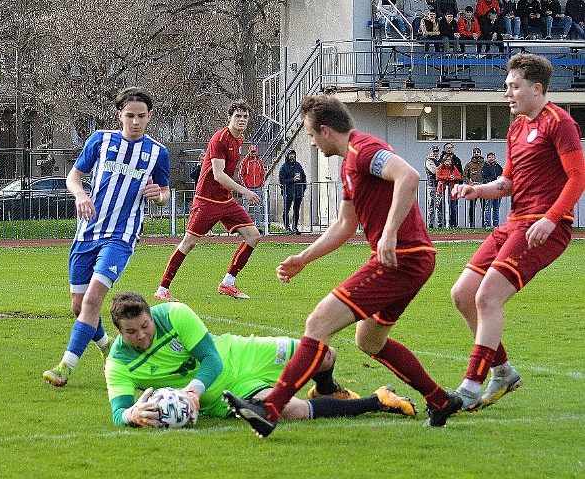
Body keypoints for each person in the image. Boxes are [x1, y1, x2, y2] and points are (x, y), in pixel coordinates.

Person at [225, 94, 464, 438]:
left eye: (310, 135)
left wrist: (390, 234)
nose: (310, 141)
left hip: (403, 258)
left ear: (325, 130)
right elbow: (344, 225)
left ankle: (270, 408)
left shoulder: (364, 150)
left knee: (318, 322)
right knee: (370, 341)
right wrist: (302, 259)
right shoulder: (349, 163)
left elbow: (409, 177)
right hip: (408, 258)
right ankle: (439, 399)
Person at [450, 54, 585, 411]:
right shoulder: (516, 128)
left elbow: (577, 178)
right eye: (507, 86)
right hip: (515, 223)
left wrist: (552, 218)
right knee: (463, 293)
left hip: (543, 228)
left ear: (537, 89)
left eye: (513, 87)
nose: (506, 93)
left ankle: (470, 386)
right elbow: (507, 182)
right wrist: (476, 189)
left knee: (487, 297)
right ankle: (504, 371)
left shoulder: (561, 123)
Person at [104, 292, 416, 428]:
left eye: (145, 326)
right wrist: (131, 416)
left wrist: (191, 391)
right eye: (132, 332)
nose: (142, 335)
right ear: (119, 332)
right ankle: (378, 401)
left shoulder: (173, 313)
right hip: (226, 395)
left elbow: (211, 359)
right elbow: (119, 413)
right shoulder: (117, 364)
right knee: (290, 411)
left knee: (324, 355)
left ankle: (326, 387)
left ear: (149, 315)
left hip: (242, 353)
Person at [43, 87, 170, 387]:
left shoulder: (157, 153)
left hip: (121, 236)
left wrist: (159, 196)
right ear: (119, 115)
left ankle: (65, 367)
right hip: (87, 232)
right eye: (129, 116)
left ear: (149, 116)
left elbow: (164, 192)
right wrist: (80, 195)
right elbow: (73, 177)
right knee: (78, 305)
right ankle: (107, 347)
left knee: (92, 300)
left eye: (141, 116)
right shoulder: (101, 140)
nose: (135, 122)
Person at [154, 102, 261, 302]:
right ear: (229, 117)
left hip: (225, 200)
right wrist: (245, 191)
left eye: (245, 117)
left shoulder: (240, 140)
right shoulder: (219, 139)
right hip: (207, 200)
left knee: (253, 236)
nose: (242, 120)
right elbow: (219, 175)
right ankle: (162, 289)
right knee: (189, 242)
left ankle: (228, 283)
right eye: (238, 116)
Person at [239, 143, 268, 235]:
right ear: (249, 152)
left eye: (254, 152)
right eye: (252, 152)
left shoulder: (259, 161)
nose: (253, 154)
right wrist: (245, 186)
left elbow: (262, 173)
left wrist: (261, 183)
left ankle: (258, 227)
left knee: (258, 208)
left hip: (258, 188)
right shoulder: (245, 161)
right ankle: (245, 228)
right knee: (246, 208)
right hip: (248, 188)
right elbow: (241, 174)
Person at [278, 149, 306, 234]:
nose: (292, 156)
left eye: (293, 154)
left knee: (296, 210)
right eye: (290, 155)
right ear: (287, 156)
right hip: (288, 192)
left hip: (298, 192)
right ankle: (287, 227)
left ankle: (295, 227)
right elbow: (282, 180)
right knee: (286, 210)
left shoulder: (298, 166)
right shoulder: (283, 167)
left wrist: (303, 188)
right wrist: (292, 180)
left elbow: (303, 177)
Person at [436, 156, 463, 228]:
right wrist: (448, 177)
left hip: (452, 190)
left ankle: (453, 224)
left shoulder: (453, 168)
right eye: (446, 160)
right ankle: (443, 224)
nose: (448, 162)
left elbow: (459, 176)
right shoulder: (440, 168)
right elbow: (438, 176)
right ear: (443, 161)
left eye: (449, 160)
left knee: (453, 208)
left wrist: (454, 177)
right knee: (442, 207)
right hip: (442, 190)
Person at [464, 148, 485, 228]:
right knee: (472, 207)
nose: (476, 153)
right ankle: (472, 224)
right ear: (472, 154)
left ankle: (484, 224)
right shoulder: (469, 164)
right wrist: (469, 184)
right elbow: (465, 175)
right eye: (475, 152)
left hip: (483, 188)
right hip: (473, 188)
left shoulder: (484, 164)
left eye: (478, 152)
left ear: (480, 153)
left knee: (484, 207)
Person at [481, 152, 503, 228]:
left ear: (495, 158)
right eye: (489, 157)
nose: (491, 158)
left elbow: (503, 175)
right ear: (487, 158)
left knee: (496, 208)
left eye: (492, 157)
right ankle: (488, 224)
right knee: (488, 208)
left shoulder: (498, 167)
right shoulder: (485, 167)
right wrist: (494, 179)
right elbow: (484, 177)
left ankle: (496, 225)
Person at [424, 145, 443, 229]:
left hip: (439, 186)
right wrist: (443, 168)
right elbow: (434, 171)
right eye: (434, 151)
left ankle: (440, 224)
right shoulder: (429, 161)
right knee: (431, 205)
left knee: (439, 205)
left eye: (437, 151)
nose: (435, 153)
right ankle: (430, 224)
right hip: (431, 186)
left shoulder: (439, 161)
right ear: (431, 152)